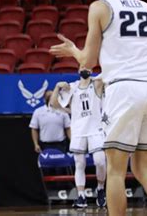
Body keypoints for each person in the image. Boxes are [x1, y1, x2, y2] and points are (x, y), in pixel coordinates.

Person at [50, 0, 147, 215]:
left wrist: (72, 50)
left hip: (125, 89)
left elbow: (88, 61)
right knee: (143, 168)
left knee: (116, 171)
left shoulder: (100, 7)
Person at [50, 69, 106, 208]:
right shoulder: (72, 87)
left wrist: (94, 77)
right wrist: (57, 87)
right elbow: (53, 104)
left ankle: (100, 188)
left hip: (95, 129)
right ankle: (81, 196)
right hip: (79, 130)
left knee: (100, 161)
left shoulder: (96, 83)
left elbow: (108, 75)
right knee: (79, 164)